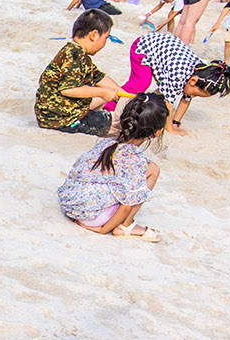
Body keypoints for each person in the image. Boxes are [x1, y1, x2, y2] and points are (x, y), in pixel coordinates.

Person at [56, 94, 169, 242]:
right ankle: (126, 226)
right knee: (153, 170)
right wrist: (103, 230)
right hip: (91, 217)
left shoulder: (106, 144)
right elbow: (127, 206)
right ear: (157, 132)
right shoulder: (136, 161)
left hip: (70, 204)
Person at [126, 31, 230, 134]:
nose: (192, 96)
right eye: (195, 94)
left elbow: (186, 99)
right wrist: (170, 129)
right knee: (141, 83)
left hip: (165, 53)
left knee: (163, 93)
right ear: (192, 81)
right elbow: (168, 102)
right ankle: (113, 105)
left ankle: (145, 106)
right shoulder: (179, 74)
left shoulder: (199, 74)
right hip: (144, 47)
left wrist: (175, 123)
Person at [36, 9, 124, 135]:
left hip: (58, 109)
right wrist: (102, 91)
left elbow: (99, 78)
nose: (105, 42)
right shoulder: (73, 55)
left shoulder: (79, 53)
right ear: (93, 35)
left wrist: (122, 93)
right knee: (115, 124)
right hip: (59, 118)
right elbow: (68, 89)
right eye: (106, 37)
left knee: (103, 97)